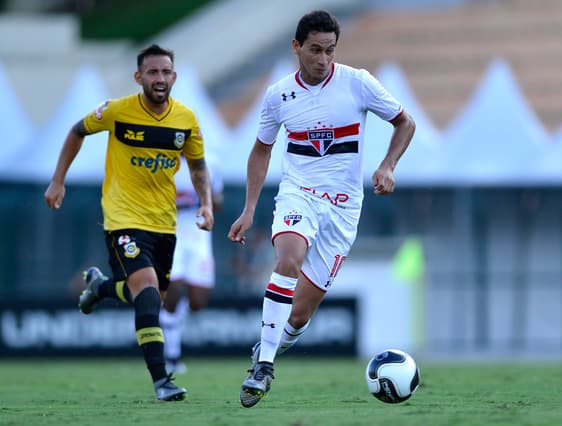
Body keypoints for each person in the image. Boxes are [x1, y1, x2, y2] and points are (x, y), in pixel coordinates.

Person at [227, 10, 416, 408]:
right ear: (296, 48)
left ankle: (269, 348)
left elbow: (406, 123)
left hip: (344, 210)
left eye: (330, 50)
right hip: (299, 195)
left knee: (298, 317)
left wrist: (387, 165)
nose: (323, 59)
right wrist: (248, 210)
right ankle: (263, 365)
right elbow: (261, 150)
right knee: (288, 260)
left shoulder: (358, 83)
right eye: (315, 50)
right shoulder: (279, 95)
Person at [44, 44, 214, 402]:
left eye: (166, 72)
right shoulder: (117, 111)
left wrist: (206, 204)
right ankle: (161, 381)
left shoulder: (186, 119)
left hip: (164, 224)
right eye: (152, 72)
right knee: (149, 293)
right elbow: (77, 131)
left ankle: (102, 288)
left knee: (152, 297)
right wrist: (58, 179)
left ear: (174, 77)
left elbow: (197, 165)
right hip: (123, 218)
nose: (160, 78)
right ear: (139, 78)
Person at [159, 157, 224, 374]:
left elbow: (218, 203)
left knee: (198, 301)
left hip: (198, 234)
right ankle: (172, 356)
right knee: (173, 291)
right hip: (170, 231)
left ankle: (168, 323)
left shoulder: (209, 166)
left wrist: (208, 201)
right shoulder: (164, 163)